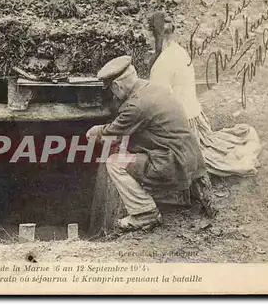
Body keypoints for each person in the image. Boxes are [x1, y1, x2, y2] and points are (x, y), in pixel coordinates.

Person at [86, 55, 210, 232]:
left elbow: (110, 132)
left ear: (117, 85)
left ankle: (145, 214)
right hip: (190, 157)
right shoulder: (154, 88)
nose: (113, 94)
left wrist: (94, 131)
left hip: (173, 163)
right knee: (129, 149)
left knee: (114, 162)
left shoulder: (136, 105)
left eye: (112, 89)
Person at [147, 12, 262, 177]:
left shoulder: (162, 64)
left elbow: (159, 104)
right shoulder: (179, 51)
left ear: (153, 33)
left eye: (148, 34)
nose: (147, 39)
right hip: (194, 116)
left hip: (180, 124)